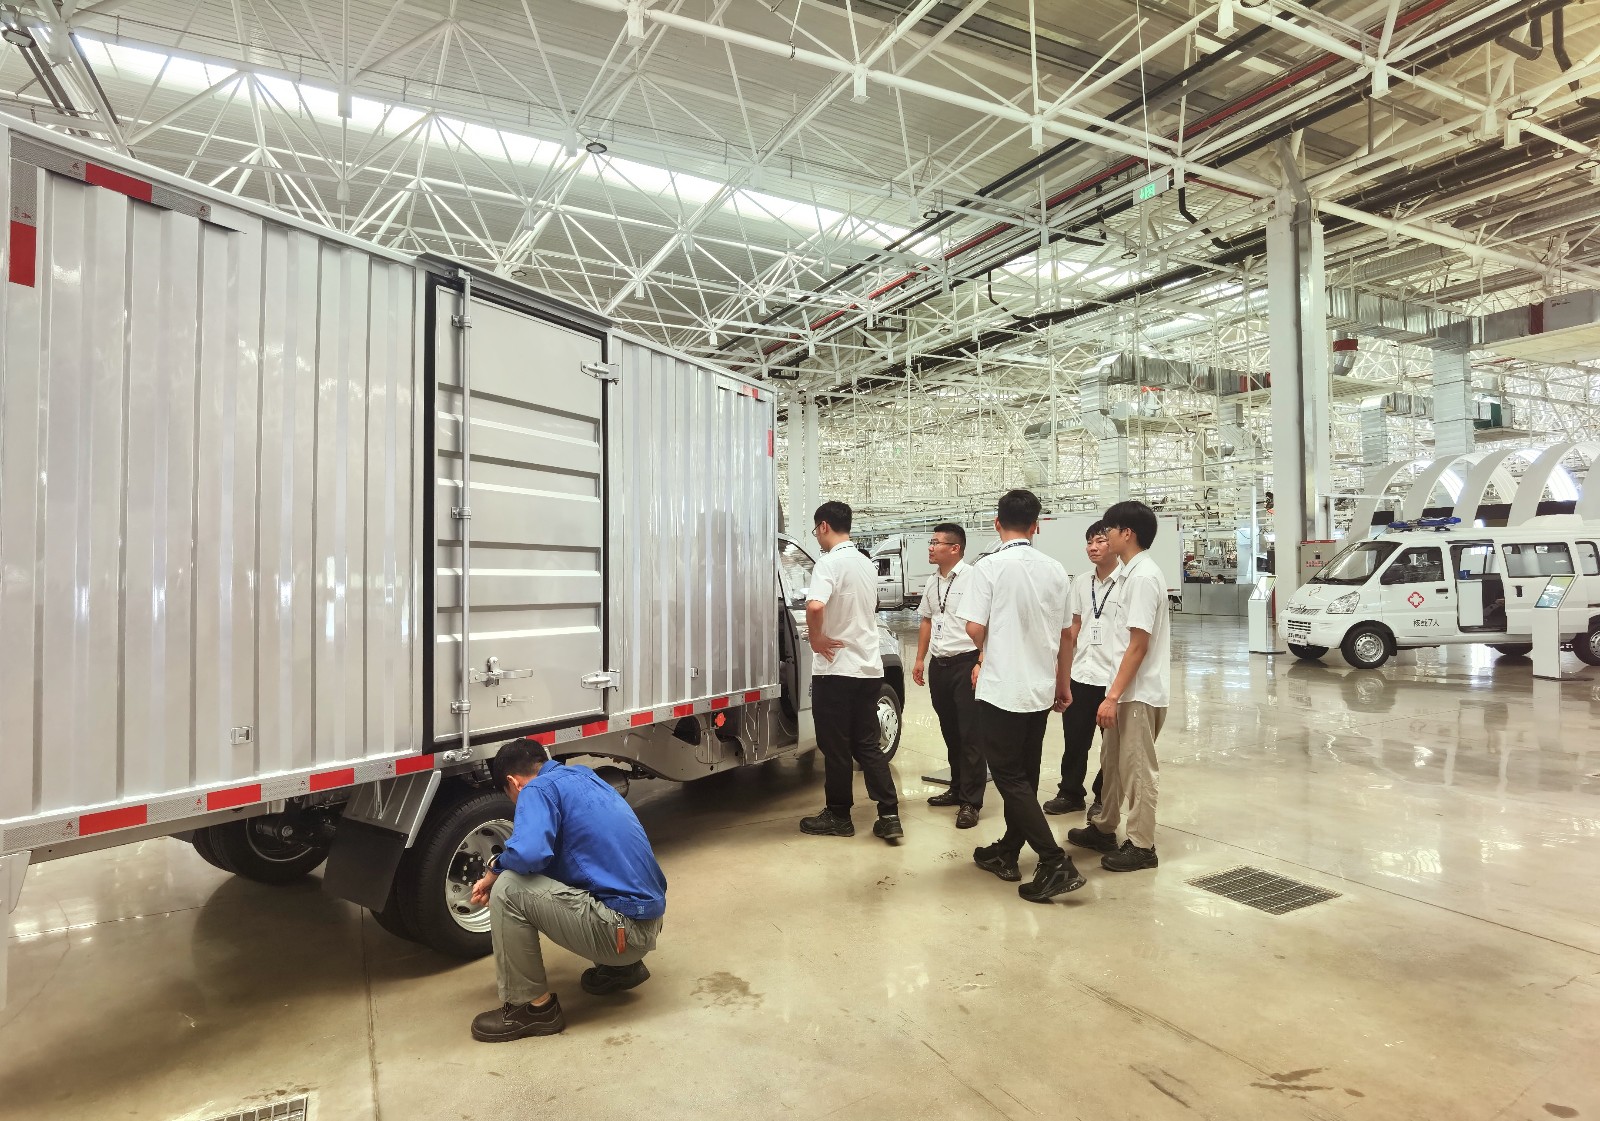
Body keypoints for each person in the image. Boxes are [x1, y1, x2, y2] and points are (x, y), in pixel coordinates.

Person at [467, 738, 668, 1042]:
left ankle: (532, 1009)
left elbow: (529, 854)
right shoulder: (582, 776)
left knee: (508, 888)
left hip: (623, 932)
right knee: (560, 867)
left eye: (510, 796)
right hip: (646, 922)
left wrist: (496, 868)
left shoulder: (535, 789)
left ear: (513, 782)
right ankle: (622, 969)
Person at [955, 489, 1083, 903]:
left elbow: (974, 627)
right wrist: (1063, 683)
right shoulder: (1056, 570)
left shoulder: (988, 567)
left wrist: (988, 649)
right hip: (1040, 689)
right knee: (1023, 776)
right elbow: (1067, 635)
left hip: (1002, 689)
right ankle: (1008, 851)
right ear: (1035, 526)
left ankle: (1054, 861)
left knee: (1009, 777)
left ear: (997, 523)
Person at [1068, 500, 1172, 872]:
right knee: (1111, 762)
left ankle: (1142, 846)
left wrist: (1112, 696)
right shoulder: (1130, 574)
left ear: (1126, 533)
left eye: (1109, 531)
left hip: (1137, 693)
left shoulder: (1142, 578)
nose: (1104, 538)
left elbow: (1138, 645)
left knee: (1137, 769)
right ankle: (1104, 827)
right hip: (1122, 689)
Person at [798, 500, 904, 843]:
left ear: (824, 526)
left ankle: (839, 815)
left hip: (836, 670)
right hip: (868, 668)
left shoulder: (829, 563)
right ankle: (889, 815)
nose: (817, 537)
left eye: (816, 531)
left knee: (836, 747)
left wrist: (817, 638)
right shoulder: (865, 563)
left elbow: (815, 605)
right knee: (867, 743)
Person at [912, 523, 985, 829]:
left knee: (970, 735)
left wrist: (981, 659)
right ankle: (957, 788)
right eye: (930, 542)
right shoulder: (933, 581)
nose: (930, 548)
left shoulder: (974, 579)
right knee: (950, 731)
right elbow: (927, 620)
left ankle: (971, 801)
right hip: (939, 665)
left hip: (966, 662)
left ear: (955, 548)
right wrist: (919, 659)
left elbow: (986, 622)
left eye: (936, 543)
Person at [1043, 521, 1113, 817]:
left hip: (1112, 679)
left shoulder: (1128, 583)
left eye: (1100, 541)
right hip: (1082, 674)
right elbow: (1073, 627)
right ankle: (1070, 793)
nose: (1092, 548)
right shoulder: (1082, 582)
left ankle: (1104, 797)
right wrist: (1061, 669)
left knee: (1112, 747)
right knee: (1074, 741)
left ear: (1115, 542)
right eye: (1089, 542)